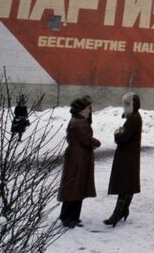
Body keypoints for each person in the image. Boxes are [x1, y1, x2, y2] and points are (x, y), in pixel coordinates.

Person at [58, 97, 101, 228]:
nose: (90, 110)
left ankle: (67, 216)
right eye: (88, 108)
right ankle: (71, 218)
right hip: (79, 159)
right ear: (82, 109)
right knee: (76, 187)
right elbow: (86, 141)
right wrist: (96, 142)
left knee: (72, 187)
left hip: (75, 157)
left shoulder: (75, 120)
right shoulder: (80, 123)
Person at [104, 93, 142, 227]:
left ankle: (117, 213)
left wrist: (117, 133)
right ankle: (124, 210)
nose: (124, 107)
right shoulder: (134, 117)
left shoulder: (133, 119)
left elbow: (123, 136)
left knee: (124, 184)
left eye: (126, 105)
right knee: (129, 184)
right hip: (130, 155)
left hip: (127, 156)